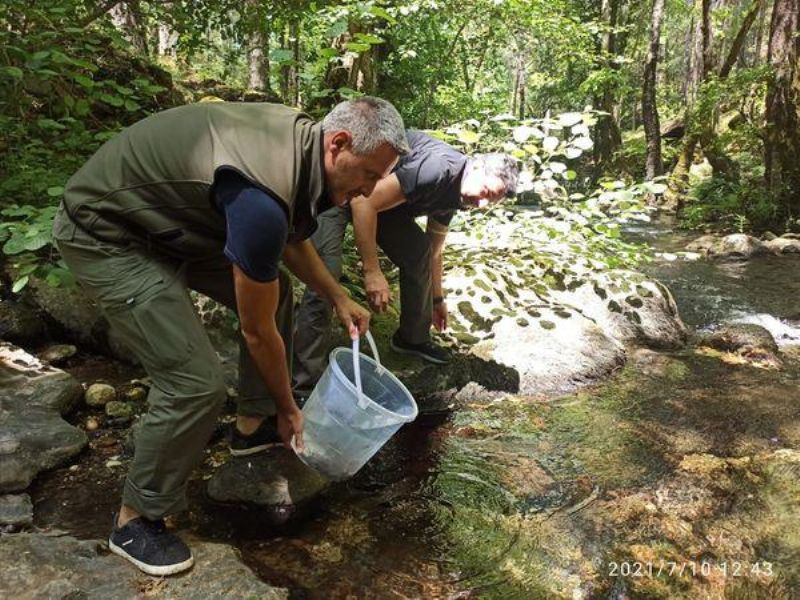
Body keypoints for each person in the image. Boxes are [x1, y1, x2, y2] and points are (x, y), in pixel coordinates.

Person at [51, 97, 409, 576]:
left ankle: (249, 427)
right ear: (338, 144)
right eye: (368, 174)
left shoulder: (300, 149)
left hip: (172, 222)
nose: (369, 191)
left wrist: (337, 296)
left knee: (275, 290)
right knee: (194, 383)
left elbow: (286, 236)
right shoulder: (262, 194)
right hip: (108, 233)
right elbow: (257, 331)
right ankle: (136, 519)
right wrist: (290, 409)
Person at [292, 130, 518, 397]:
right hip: (344, 188)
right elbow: (363, 202)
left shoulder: (457, 195)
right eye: (485, 192)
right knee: (326, 276)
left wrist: (436, 299)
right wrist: (372, 271)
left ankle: (412, 339)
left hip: (382, 201)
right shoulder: (438, 170)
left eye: (489, 201)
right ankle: (303, 386)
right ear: (477, 167)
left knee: (418, 250)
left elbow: (433, 250)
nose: (480, 203)